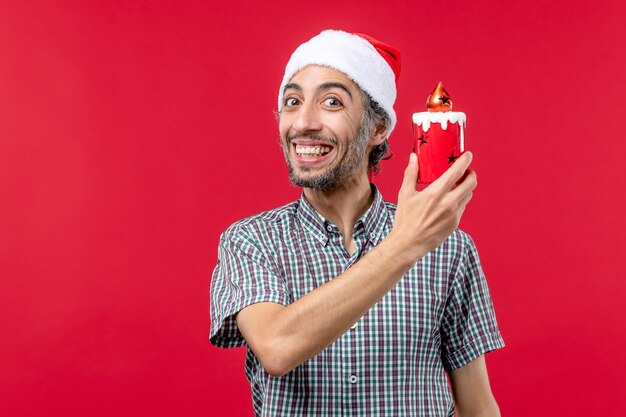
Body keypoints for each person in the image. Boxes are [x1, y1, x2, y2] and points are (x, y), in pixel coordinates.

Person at [209, 29, 504, 417]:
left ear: (378, 129)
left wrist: (416, 237)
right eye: (292, 101)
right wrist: (405, 243)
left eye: (331, 102)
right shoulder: (251, 241)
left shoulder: (449, 248)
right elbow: (276, 347)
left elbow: (478, 407)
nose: (302, 123)